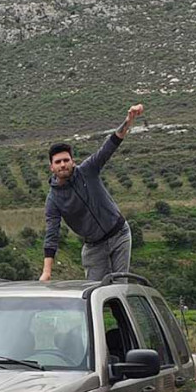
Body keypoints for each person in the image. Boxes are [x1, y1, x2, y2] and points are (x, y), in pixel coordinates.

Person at [39, 103, 144, 282]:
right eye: (58, 162)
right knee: (95, 290)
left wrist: (128, 121)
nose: (63, 164)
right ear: (51, 167)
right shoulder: (53, 200)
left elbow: (110, 146)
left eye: (66, 160)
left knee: (119, 286)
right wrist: (47, 271)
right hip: (94, 246)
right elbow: (52, 234)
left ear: (73, 161)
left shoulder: (88, 170)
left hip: (119, 234)